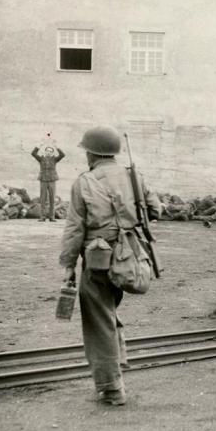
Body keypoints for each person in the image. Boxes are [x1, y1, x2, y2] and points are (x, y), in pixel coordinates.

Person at [59, 126, 162, 405]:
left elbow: (74, 230)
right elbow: (156, 210)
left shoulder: (85, 181)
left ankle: (111, 387)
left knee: (98, 319)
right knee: (108, 310)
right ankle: (119, 361)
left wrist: (68, 264)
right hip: (130, 256)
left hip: (98, 259)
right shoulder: (134, 176)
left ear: (92, 153)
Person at [31, 143, 66, 221]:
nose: (48, 152)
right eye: (47, 151)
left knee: (52, 199)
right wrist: (39, 145)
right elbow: (33, 153)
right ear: (44, 152)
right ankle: (42, 217)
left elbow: (62, 155)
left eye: (50, 151)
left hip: (52, 180)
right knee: (43, 199)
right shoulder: (41, 159)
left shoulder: (55, 159)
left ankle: (51, 217)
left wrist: (56, 146)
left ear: (52, 153)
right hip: (43, 180)